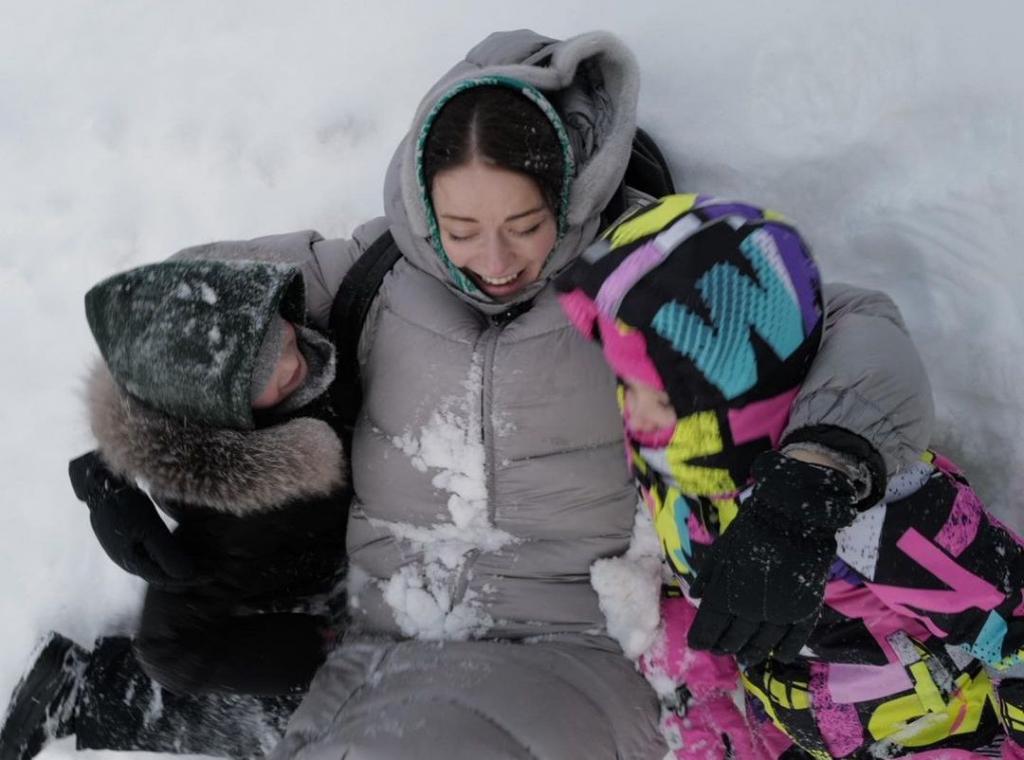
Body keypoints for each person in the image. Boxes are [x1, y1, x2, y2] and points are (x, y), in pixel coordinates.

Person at [3, 28, 934, 760]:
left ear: (568, 191)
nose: (492, 262)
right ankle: (134, 699)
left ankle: (142, 703)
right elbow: (178, 313)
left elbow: (859, 321)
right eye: (460, 227)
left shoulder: (649, 274)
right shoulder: (375, 266)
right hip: (382, 632)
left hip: (578, 646)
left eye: (524, 225)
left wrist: (813, 483)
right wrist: (124, 455)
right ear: (420, 198)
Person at [556, 193, 1024, 757]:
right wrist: (695, 659)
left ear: (727, 394)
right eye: (627, 385)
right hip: (796, 727)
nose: (633, 410)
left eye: (654, 394)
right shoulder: (682, 475)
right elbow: (707, 592)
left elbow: (1013, 617)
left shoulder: (885, 518)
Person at [1, 256, 349, 760]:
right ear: (218, 414)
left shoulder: (297, 332)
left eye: (285, 336)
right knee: (307, 726)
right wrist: (318, 650)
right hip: (294, 577)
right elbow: (171, 649)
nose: (294, 363)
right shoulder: (240, 513)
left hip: (339, 539)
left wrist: (102, 475)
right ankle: (88, 692)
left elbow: (184, 322)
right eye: (258, 375)